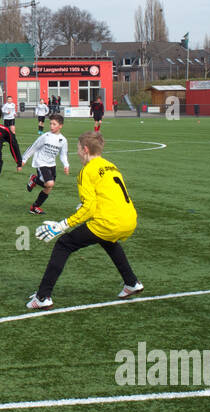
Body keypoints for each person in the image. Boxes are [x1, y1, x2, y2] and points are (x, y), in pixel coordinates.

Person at [28, 131, 141, 308]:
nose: (78, 153)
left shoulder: (86, 171)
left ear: (86, 149)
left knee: (64, 244)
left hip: (109, 221)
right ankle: (132, 283)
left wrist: (62, 225)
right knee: (107, 240)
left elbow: (89, 208)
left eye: (79, 149)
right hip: (129, 219)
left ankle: (42, 297)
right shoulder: (111, 165)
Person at [22, 114, 71, 215]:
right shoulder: (45, 136)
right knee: (50, 183)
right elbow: (34, 147)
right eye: (50, 124)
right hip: (41, 162)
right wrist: (24, 159)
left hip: (51, 164)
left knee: (48, 187)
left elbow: (63, 154)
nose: (51, 126)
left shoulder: (63, 140)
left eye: (54, 124)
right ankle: (34, 179)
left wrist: (66, 165)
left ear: (60, 126)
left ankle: (35, 207)